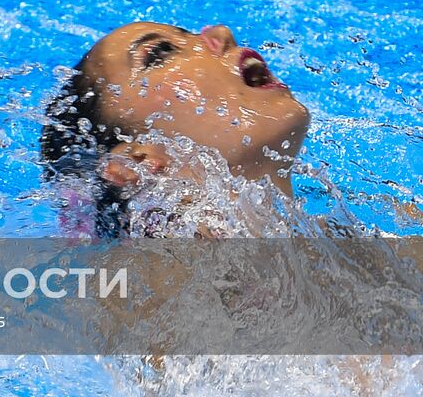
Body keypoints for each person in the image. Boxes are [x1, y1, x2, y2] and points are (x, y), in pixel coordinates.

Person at [40, 22, 313, 237]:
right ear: (135, 165)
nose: (222, 32)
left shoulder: (334, 246)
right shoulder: (151, 299)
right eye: (160, 53)